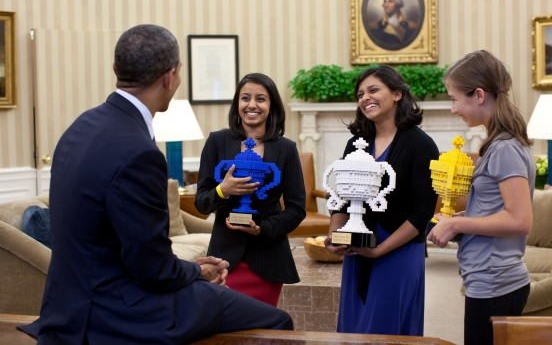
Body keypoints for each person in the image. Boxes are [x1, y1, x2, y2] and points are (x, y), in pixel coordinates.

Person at [18, 25, 293, 345]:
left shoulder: (79, 127)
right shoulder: (139, 152)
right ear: (170, 77)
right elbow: (152, 270)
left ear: (116, 70)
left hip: (65, 305)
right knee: (278, 320)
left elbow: (119, 244)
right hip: (119, 310)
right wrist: (197, 271)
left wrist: (187, 268)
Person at [428, 50, 534, 345]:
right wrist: (461, 218)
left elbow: (520, 220)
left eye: (453, 99)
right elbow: (500, 209)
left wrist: (456, 226)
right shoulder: (504, 144)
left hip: (495, 283)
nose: (452, 109)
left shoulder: (504, 149)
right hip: (490, 280)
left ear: (478, 95)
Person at [324, 65, 439, 335]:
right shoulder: (355, 144)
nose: (365, 98)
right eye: (360, 94)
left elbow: (422, 213)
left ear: (398, 94)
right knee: (354, 328)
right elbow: (341, 198)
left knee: (386, 329)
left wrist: (378, 250)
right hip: (357, 250)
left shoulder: (421, 145)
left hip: (397, 251)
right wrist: (334, 237)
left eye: (373, 90)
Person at [195, 73, 306, 307]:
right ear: (237, 104)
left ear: (271, 106)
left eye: (261, 99)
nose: (252, 105)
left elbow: (297, 209)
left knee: (262, 334)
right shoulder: (216, 142)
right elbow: (201, 202)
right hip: (225, 260)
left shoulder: (286, 149)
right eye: (245, 98)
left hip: (268, 258)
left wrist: (262, 229)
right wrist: (222, 190)